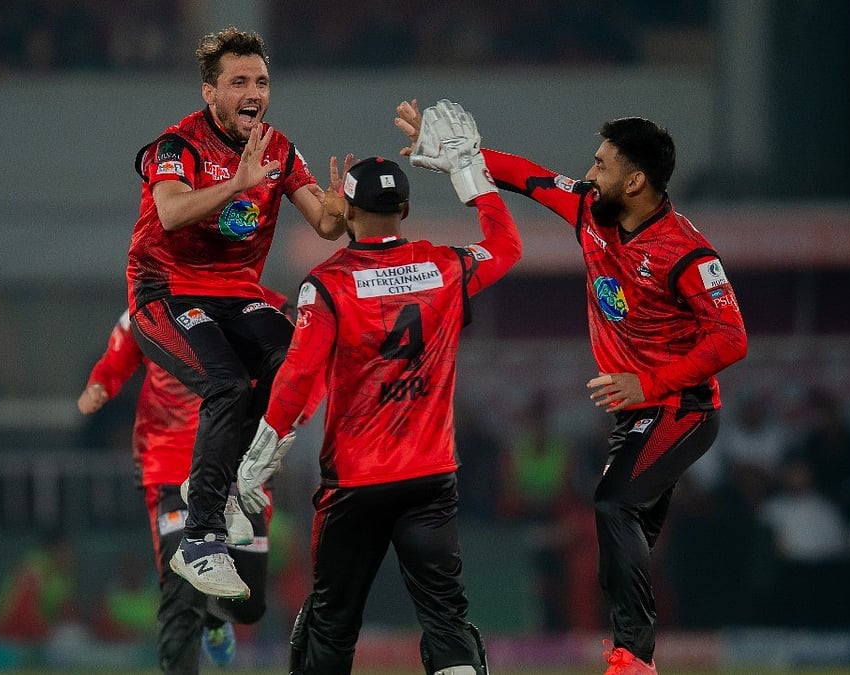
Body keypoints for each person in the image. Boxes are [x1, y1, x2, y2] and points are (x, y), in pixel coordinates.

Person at [396, 100, 748, 674]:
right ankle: (631, 651)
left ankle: (633, 658)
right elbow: (527, 177)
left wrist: (648, 381)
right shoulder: (590, 209)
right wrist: (466, 157)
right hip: (637, 410)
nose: (589, 174)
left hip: (681, 408)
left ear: (635, 180)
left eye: (602, 165)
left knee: (612, 506)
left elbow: (732, 339)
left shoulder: (685, 251)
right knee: (617, 543)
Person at [238, 100, 522, 675]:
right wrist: (466, 168)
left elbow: (296, 381)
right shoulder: (446, 266)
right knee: (445, 618)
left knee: (331, 622)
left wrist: (256, 461)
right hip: (431, 478)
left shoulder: (327, 286)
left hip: (355, 483)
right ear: (406, 208)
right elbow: (508, 244)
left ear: (347, 209)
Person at [125, 25, 346, 601]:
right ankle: (199, 540)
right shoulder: (177, 147)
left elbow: (323, 225)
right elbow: (171, 214)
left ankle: (228, 484)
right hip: (166, 292)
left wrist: (340, 212)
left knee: (297, 360)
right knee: (226, 384)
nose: (254, 92)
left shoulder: (278, 148)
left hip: (234, 291)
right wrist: (238, 185)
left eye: (262, 81)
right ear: (209, 92)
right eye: (239, 81)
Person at [77, 290, 294, 672]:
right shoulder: (149, 309)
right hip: (169, 465)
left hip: (237, 472)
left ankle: (216, 618)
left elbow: (298, 372)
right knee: (180, 593)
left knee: (249, 603)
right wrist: (100, 385)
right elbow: (116, 359)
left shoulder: (263, 308)